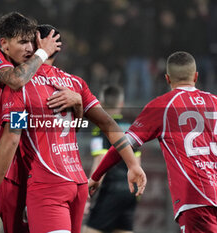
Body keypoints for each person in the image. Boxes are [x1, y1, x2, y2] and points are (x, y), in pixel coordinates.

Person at [0, 24, 146, 233]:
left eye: (26, 42)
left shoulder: (21, 87)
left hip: (48, 185)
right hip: (77, 183)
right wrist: (132, 164)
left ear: (36, 46)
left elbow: (13, 137)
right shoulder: (75, 83)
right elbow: (108, 124)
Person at [89, 51, 217, 233]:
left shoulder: (163, 106)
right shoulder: (215, 102)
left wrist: (95, 176)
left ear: (167, 79)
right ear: (196, 76)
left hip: (196, 198)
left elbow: (123, 144)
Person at [0, 12, 61, 233]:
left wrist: (76, 99)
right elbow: (15, 80)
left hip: (19, 173)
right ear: (4, 44)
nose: (29, 49)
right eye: (22, 42)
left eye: (32, 44)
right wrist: (43, 52)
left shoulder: (30, 79)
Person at [84, 85, 141, 233]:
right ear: (121, 104)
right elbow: (137, 163)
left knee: (89, 230)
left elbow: (100, 161)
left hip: (111, 190)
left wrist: (89, 193)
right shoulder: (131, 129)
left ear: (101, 104)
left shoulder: (100, 130)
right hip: (130, 192)